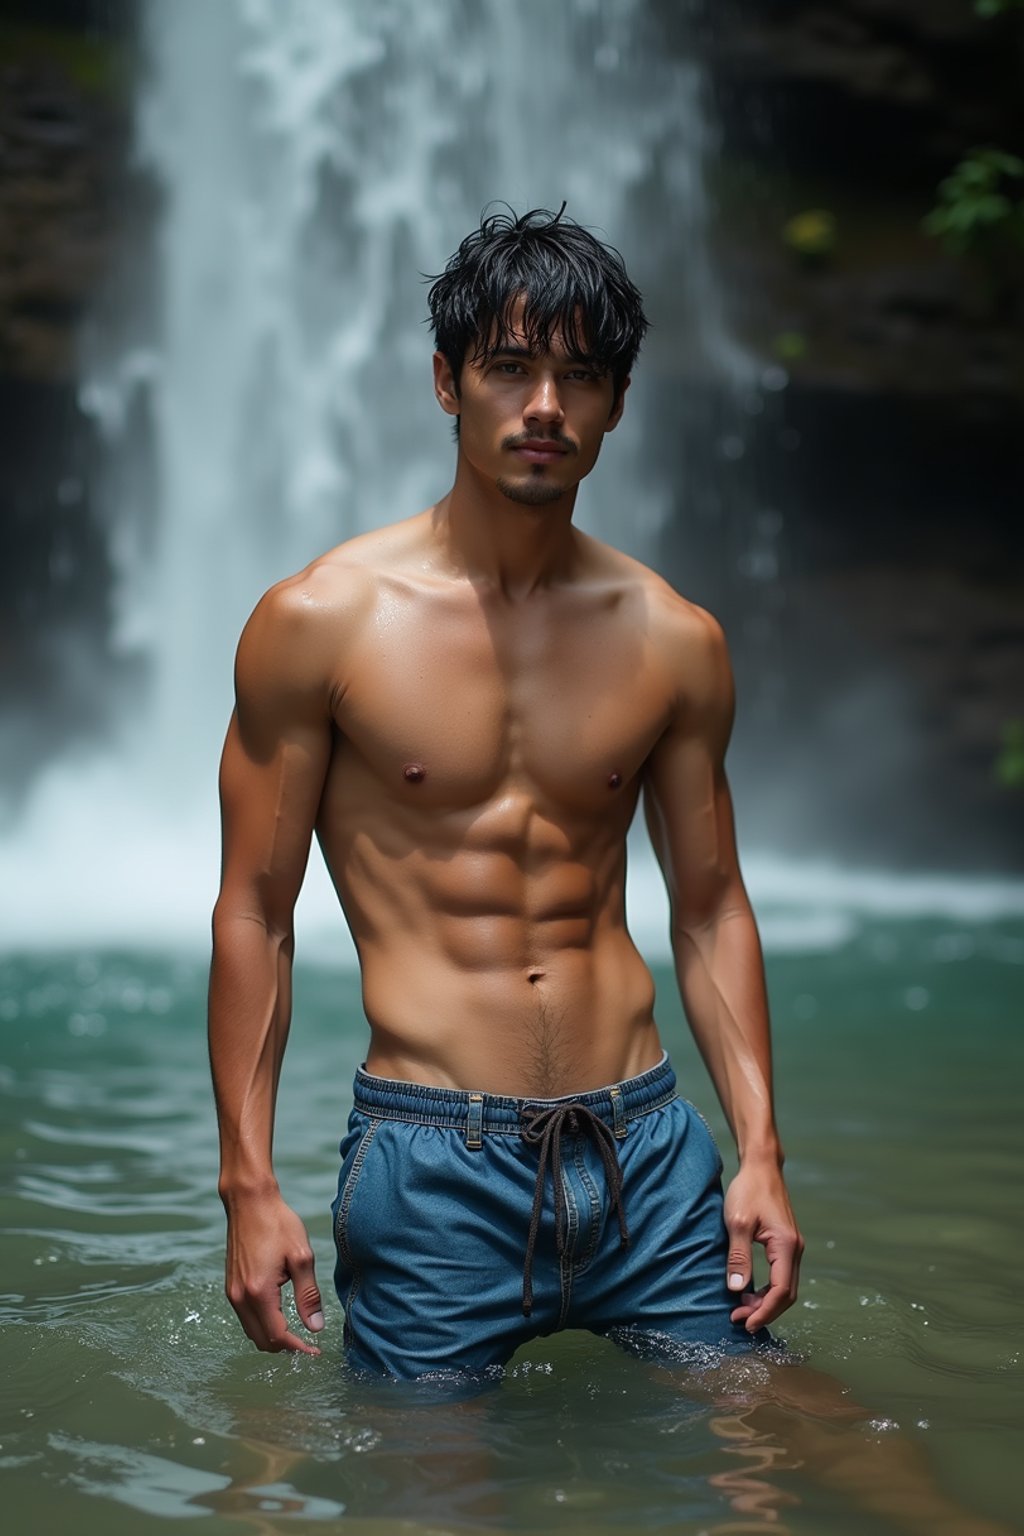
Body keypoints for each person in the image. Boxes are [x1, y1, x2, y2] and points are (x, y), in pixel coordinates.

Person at [209, 205, 803, 1381]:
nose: (545, 407)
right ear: (446, 382)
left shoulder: (674, 639)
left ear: (617, 404)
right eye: (510, 369)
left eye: (580, 377)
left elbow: (711, 905)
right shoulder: (320, 622)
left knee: (785, 1453)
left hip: (647, 1149)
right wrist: (247, 1183)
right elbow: (254, 913)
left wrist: (761, 1152)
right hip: (434, 1165)